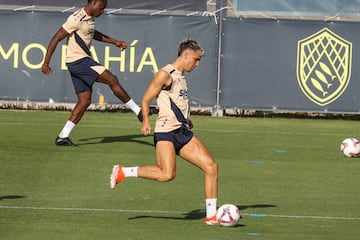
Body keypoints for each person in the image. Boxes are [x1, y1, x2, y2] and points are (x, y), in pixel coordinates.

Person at [110, 39, 219, 225]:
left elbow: (176, 102)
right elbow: (145, 99)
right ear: (185, 55)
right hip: (165, 132)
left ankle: (211, 216)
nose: (197, 64)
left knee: (211, 167)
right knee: (167, 174)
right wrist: (145, 121)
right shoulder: (165, 74)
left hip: (181, 132)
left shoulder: (181, 77)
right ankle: (123, 171)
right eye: (196, 59)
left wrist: (186, 119)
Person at [41, 0, 142, 146]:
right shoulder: (76, 19)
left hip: (77, 62)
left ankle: (63, 136)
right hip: (79, 61)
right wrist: (45, 63)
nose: (103, 11)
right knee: (111, 79)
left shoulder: (90, 19)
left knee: (85, 101)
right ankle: (138, 111)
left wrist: (115, 42)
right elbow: (56, 38)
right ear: (94, 3)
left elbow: (93, 34)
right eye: (102, 7)